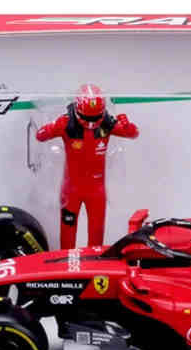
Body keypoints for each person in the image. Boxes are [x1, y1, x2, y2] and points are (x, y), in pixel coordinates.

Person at [35, 84, 139, 248]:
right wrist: (52, 126)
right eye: (87, 118)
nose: (91, 123)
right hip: (71, 192)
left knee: (96, 235)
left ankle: (94, 263)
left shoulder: (107, 124)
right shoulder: (65, 123)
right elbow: (40, 136)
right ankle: (67, 262)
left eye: (95, 117)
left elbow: (133, 134)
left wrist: (127, 125)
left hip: (96, 192)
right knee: (67, 236)